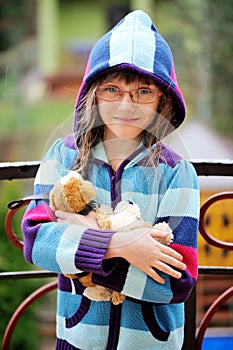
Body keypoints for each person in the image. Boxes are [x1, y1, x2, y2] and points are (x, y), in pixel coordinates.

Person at [22, 10, 199, 350]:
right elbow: (36, 241)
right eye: (112, 90)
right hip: (78, 339)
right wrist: (122, 245)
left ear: (163, 98)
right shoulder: (62, 157)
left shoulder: (178, 173)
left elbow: (177, 283)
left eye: (144, 91)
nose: (126, 105)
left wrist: (81, 246)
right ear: (94, 94)